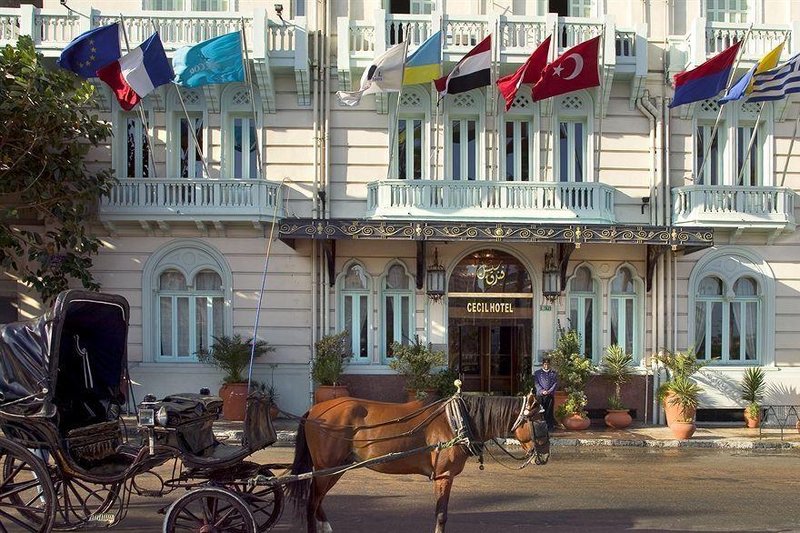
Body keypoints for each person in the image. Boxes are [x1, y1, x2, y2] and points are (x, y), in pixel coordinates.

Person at [534, 357, 558, 430]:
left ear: (550, 364)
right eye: (545, 364)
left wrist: (549, 391)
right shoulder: (537, 373)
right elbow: (536, 383)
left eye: (548, 364)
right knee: (540, 411)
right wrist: (542, 391)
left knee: (549, 411)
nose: (546, 366)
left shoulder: (553, 373)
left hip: (549, 395)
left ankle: (549, 427)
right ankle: (540, 428)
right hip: (540, 395)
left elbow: (555, 384)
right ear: (542, 364)